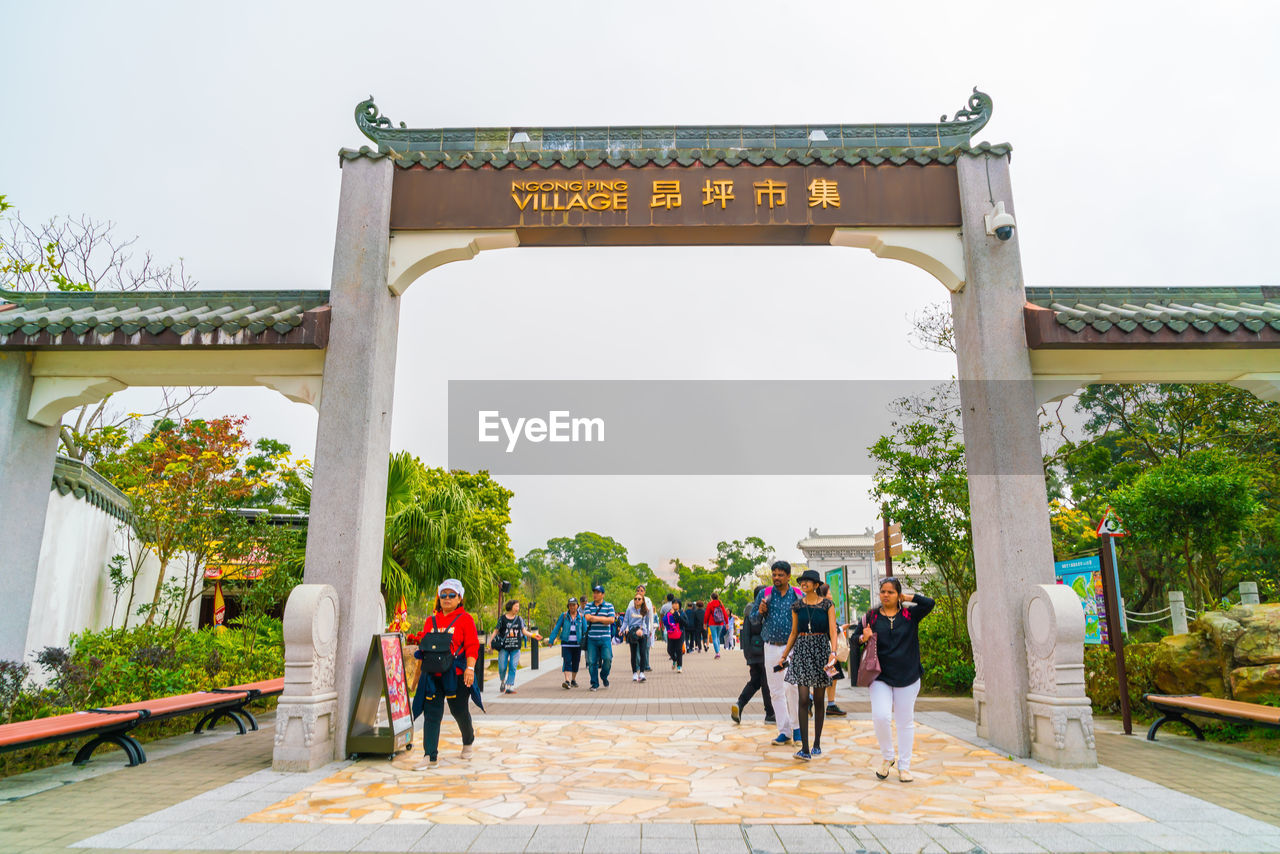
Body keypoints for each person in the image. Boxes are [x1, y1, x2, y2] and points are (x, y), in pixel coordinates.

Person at [859, 577, 935, 782]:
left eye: (891, 592)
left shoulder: (910, 614)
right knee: (881, 716)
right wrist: (863, 638)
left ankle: (905, 767)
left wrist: (908, 597)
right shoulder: (872, 616)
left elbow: (930, 603)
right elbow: (855, 639)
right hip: (880, 676)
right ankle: (888, 757)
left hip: (908, 675)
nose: (885, 595)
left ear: (898, 594)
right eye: (883, 591)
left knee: (905, 722)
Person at [411, 578, 480, 770]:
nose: (447, 599)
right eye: (443, 595)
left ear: (460, 598)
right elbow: (423, 650)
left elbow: (472, 646)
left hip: (456, 674)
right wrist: (417, 678)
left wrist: (470, 668)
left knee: (459, 710)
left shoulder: (466, 619)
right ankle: (429, 755)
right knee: (432, 714)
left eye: (451, 595)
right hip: (433, 675)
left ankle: (468, 740)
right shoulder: (430, 621)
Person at [778, 569, 838, 761]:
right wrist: (785, 654)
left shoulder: (828, 604)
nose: (804, 584)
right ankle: (804, 748)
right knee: (803, 698)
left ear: (816, 585)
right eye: (802, 581)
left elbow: (833, 631)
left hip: (821, 649)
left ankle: (817, 743)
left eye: (808, 581)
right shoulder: (796, 606)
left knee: (819, 699)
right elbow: (794, 632)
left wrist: (833, 652)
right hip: (802, 650)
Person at [750, 560, 802, 745]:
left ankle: (797, 728)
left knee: (793, 687)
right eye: (774, 574)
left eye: (781, 575)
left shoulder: (797, 595)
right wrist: (760, 612)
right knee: (776, 691)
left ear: (788, 576)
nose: (777, 578)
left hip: (792, 648)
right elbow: (753, 620)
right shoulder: (765, 594)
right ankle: (784, 730)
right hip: (771, 646)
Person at [731, 585, 774, 725]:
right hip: (764, 652)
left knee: (755, 681)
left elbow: (746, 634)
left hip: (752, 654)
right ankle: (770, 713)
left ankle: (740, 704)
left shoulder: (748, 610)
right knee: (766, 683)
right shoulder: (763, 610)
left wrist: (748, 655)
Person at [494, 600, 541, 695]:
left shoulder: (519, 619)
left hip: (515, 647)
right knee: (502, 667)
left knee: (513, 666)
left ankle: (510, 686)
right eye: (516, 606)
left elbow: (524, 631)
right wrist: (491, 642)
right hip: (504, 647)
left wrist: (533, 635)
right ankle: (503, 681)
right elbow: (496, 631)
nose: (517, 608)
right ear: (511, 607)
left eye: (518, 606)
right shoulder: (502, 619)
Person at [817, 583, 848, 718]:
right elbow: (828, 629)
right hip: (829, 651)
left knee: (831, 677)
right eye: (829, 592)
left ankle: (830, 704)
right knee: (829, 676)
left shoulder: (820, 607)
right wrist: (841, 629)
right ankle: (815, 701)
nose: (831, 594)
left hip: (827, 650)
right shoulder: (826, 607)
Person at [548, 597, 588, 690]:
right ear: (568, 606)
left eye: (574, 605)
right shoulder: (564, 616)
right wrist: (551, 640)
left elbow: (585, 631)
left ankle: (573, 680)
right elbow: (556, 628)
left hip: (577, 644)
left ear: (577, 606)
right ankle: (567, 680)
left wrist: (587, 642)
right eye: (570, 605)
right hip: (566, 644)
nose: (572, 607)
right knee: (567, 661)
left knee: (576, 663)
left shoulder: (581, 617)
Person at [582, 585, 616, 692]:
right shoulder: (588, 606)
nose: (595, 594)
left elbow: (611, 620)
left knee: (607, 659)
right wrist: (603, 619)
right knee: (592, 662)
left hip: (605, 638)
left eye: (598, 592)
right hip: (592, 638)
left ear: (603, 594)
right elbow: (587, 617)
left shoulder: (609, 606)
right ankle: (594, 683)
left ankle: (604, 676)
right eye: (594, 592)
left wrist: (595, 618)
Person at [622, 592, 651, 681]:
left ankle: (641, 673)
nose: (637, 600)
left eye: (639, 599)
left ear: (642, 601)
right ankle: (634, 673)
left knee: (643, 653)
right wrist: (621, 630)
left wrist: (646, 631)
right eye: (635, 599)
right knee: (633, 654)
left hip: (643, 633)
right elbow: (626, 621)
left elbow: (646, 623)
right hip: (633, 632)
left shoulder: (645, 611)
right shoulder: (629, 610)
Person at [662, 599, 688, 672]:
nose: (675, 605)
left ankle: (679, 666)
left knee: (679, 650)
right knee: (669, 650)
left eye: (676, 604)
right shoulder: (669, 612)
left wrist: (676, 614)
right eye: (673, 603)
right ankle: (674, 660)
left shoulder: (682, 613)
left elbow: (685, 623)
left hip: (680, 633)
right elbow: (665, 620)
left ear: (679, 605)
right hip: (671, 633)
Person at [635, 584, 656, 671]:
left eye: (641, 590)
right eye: (638, 590)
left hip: (646, 628)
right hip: (636, 628)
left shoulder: (648, 601)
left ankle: (646, 664)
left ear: (644, 592)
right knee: (637, 648)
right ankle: (638, 665)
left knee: (646, 647)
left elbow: (651, 616)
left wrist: (650, 628)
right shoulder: (632, 601)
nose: (640, 592)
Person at [705, 594, 730, 658]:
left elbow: (707, 614)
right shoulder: (720, 603)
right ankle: (718, 650)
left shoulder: (710, 604)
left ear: (711, 598)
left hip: (712, 623)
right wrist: (727, 623)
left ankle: (717, 652)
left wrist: (705, 623)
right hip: (720, 623)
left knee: (714, 638)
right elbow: (724, 613)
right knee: (718, 637)